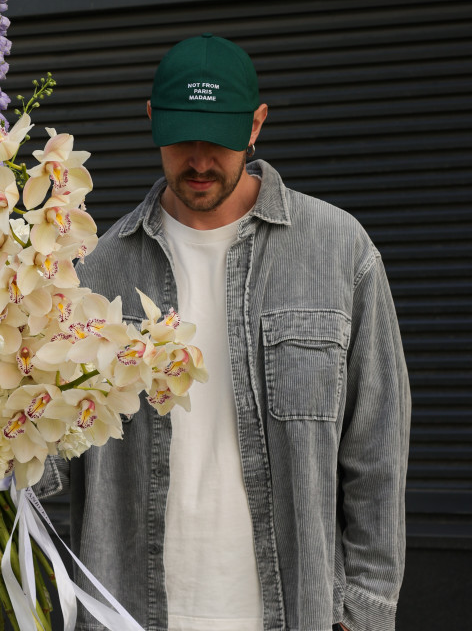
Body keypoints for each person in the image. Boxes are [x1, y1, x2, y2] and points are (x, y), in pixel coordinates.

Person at [36, 34, 411, 631]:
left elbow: (377, 449)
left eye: (218, 139)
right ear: (152, 119)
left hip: (294, 610)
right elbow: (52, 453)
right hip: (130, 611)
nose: (200, 160)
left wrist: (365, 609)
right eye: (182, 138)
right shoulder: (98, 270)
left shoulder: (340, 252)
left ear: (256, 125)